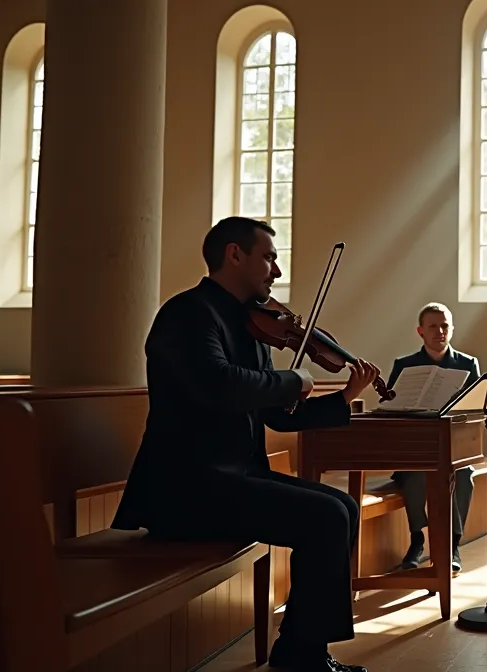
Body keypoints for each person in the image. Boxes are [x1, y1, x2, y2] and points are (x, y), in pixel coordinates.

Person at [111, 216, 380, 672]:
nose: (276, 271)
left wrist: (342, 399)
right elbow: (218, 385)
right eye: (269, 258)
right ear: (234, 255)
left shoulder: (251, 325)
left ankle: (303, 647)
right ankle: (302, 655)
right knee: (326, 516)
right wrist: (294, 379)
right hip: (185, 489)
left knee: (343, 508)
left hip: (233, 479)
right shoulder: (187, 314)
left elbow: (276, 414)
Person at [385, 302, 480, 573]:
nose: (440, 331)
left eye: (445, 326)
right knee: (414, 473)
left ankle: (453, 545)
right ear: (420, 331)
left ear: (452, 329)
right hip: (415, 448)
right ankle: (417, 540)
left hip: (453, 448)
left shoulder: (468, 364)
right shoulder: (405, 365)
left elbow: (474, 411)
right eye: (433, 326)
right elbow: (391, 408)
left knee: (464, 475)